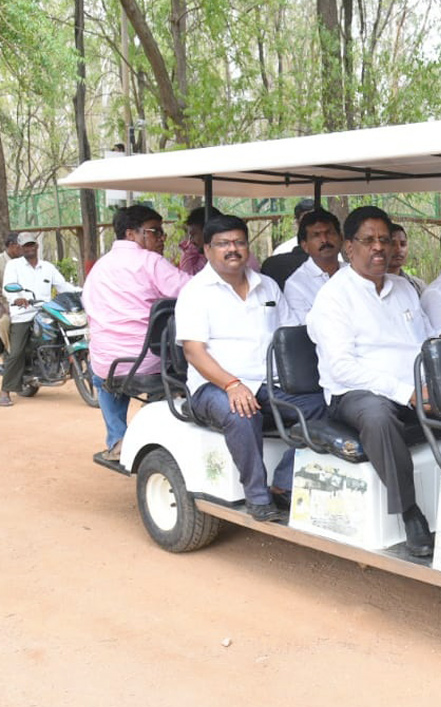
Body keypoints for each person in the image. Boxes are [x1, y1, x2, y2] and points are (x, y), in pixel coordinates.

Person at [174, 213, 326, 522]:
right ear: (207, 250)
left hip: (267, 383)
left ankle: (283, 482)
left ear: (248, 247)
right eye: (223, 244)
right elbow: (193, 351)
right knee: (242, 413)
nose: (233, 249)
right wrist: (232, 384)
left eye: (239, 242)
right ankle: (257, 496)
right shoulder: (195, 292)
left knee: (322, 404)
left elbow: (290, 333)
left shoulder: (267, 286)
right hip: (213, 385)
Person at [307, 206, 436, 555]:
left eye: (384, 240)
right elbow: (341, 367)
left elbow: (423, 343)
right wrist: (404, 391)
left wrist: (432, 383)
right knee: (378, 417)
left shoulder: (404, 288)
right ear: (349, 248)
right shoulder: (334, 296)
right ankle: (410, 513)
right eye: (368, 240)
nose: (379, 247)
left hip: (411, 387)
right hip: (355, 393)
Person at [83, 204, 192, 459]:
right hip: (150, 362)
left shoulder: (99, 267)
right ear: (131, 234)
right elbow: (188, 290)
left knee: (101, 378)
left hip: (108, 362)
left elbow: (88, 305)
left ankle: (118, 438)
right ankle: (163, 431)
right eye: (155, 231)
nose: (161, 237)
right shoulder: (150, 262)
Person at [1, 232, 77, 407]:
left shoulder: (47, 267)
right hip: (23, 313)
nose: (29, 248)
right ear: (20, 248)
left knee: (68, 331)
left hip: (46, 312)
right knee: (17, 351)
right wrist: (17, 299)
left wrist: (80, 291)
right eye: (25, 245)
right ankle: (5, 390)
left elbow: (62, 285)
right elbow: (8, 287)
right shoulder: (14, 266)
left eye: (31, 245)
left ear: (37, 246)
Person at [282, 208, 346, 320]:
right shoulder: (296, 285)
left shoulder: (354, 273)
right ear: (305, 246)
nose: (324, 240)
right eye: (316, 235)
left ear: (341, 238)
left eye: (329, 233)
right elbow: (305, 329)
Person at [260, 199, 313, 288]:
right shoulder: (282, 250)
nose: (312, 225)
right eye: (307, 221)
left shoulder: (333, 254)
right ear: (297, 223)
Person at [387, 220, 427, 294]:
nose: (398, 249)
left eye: (403, 244)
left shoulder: (417, 286)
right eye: (392, 244)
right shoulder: (371, 285)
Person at [0, 234, 21, 354]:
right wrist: (2, 308)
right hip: (5, 304)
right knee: (4, 322)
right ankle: (11, 353)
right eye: (20, 246)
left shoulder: (23, 262)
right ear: (12, 246)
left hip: (26, 303)